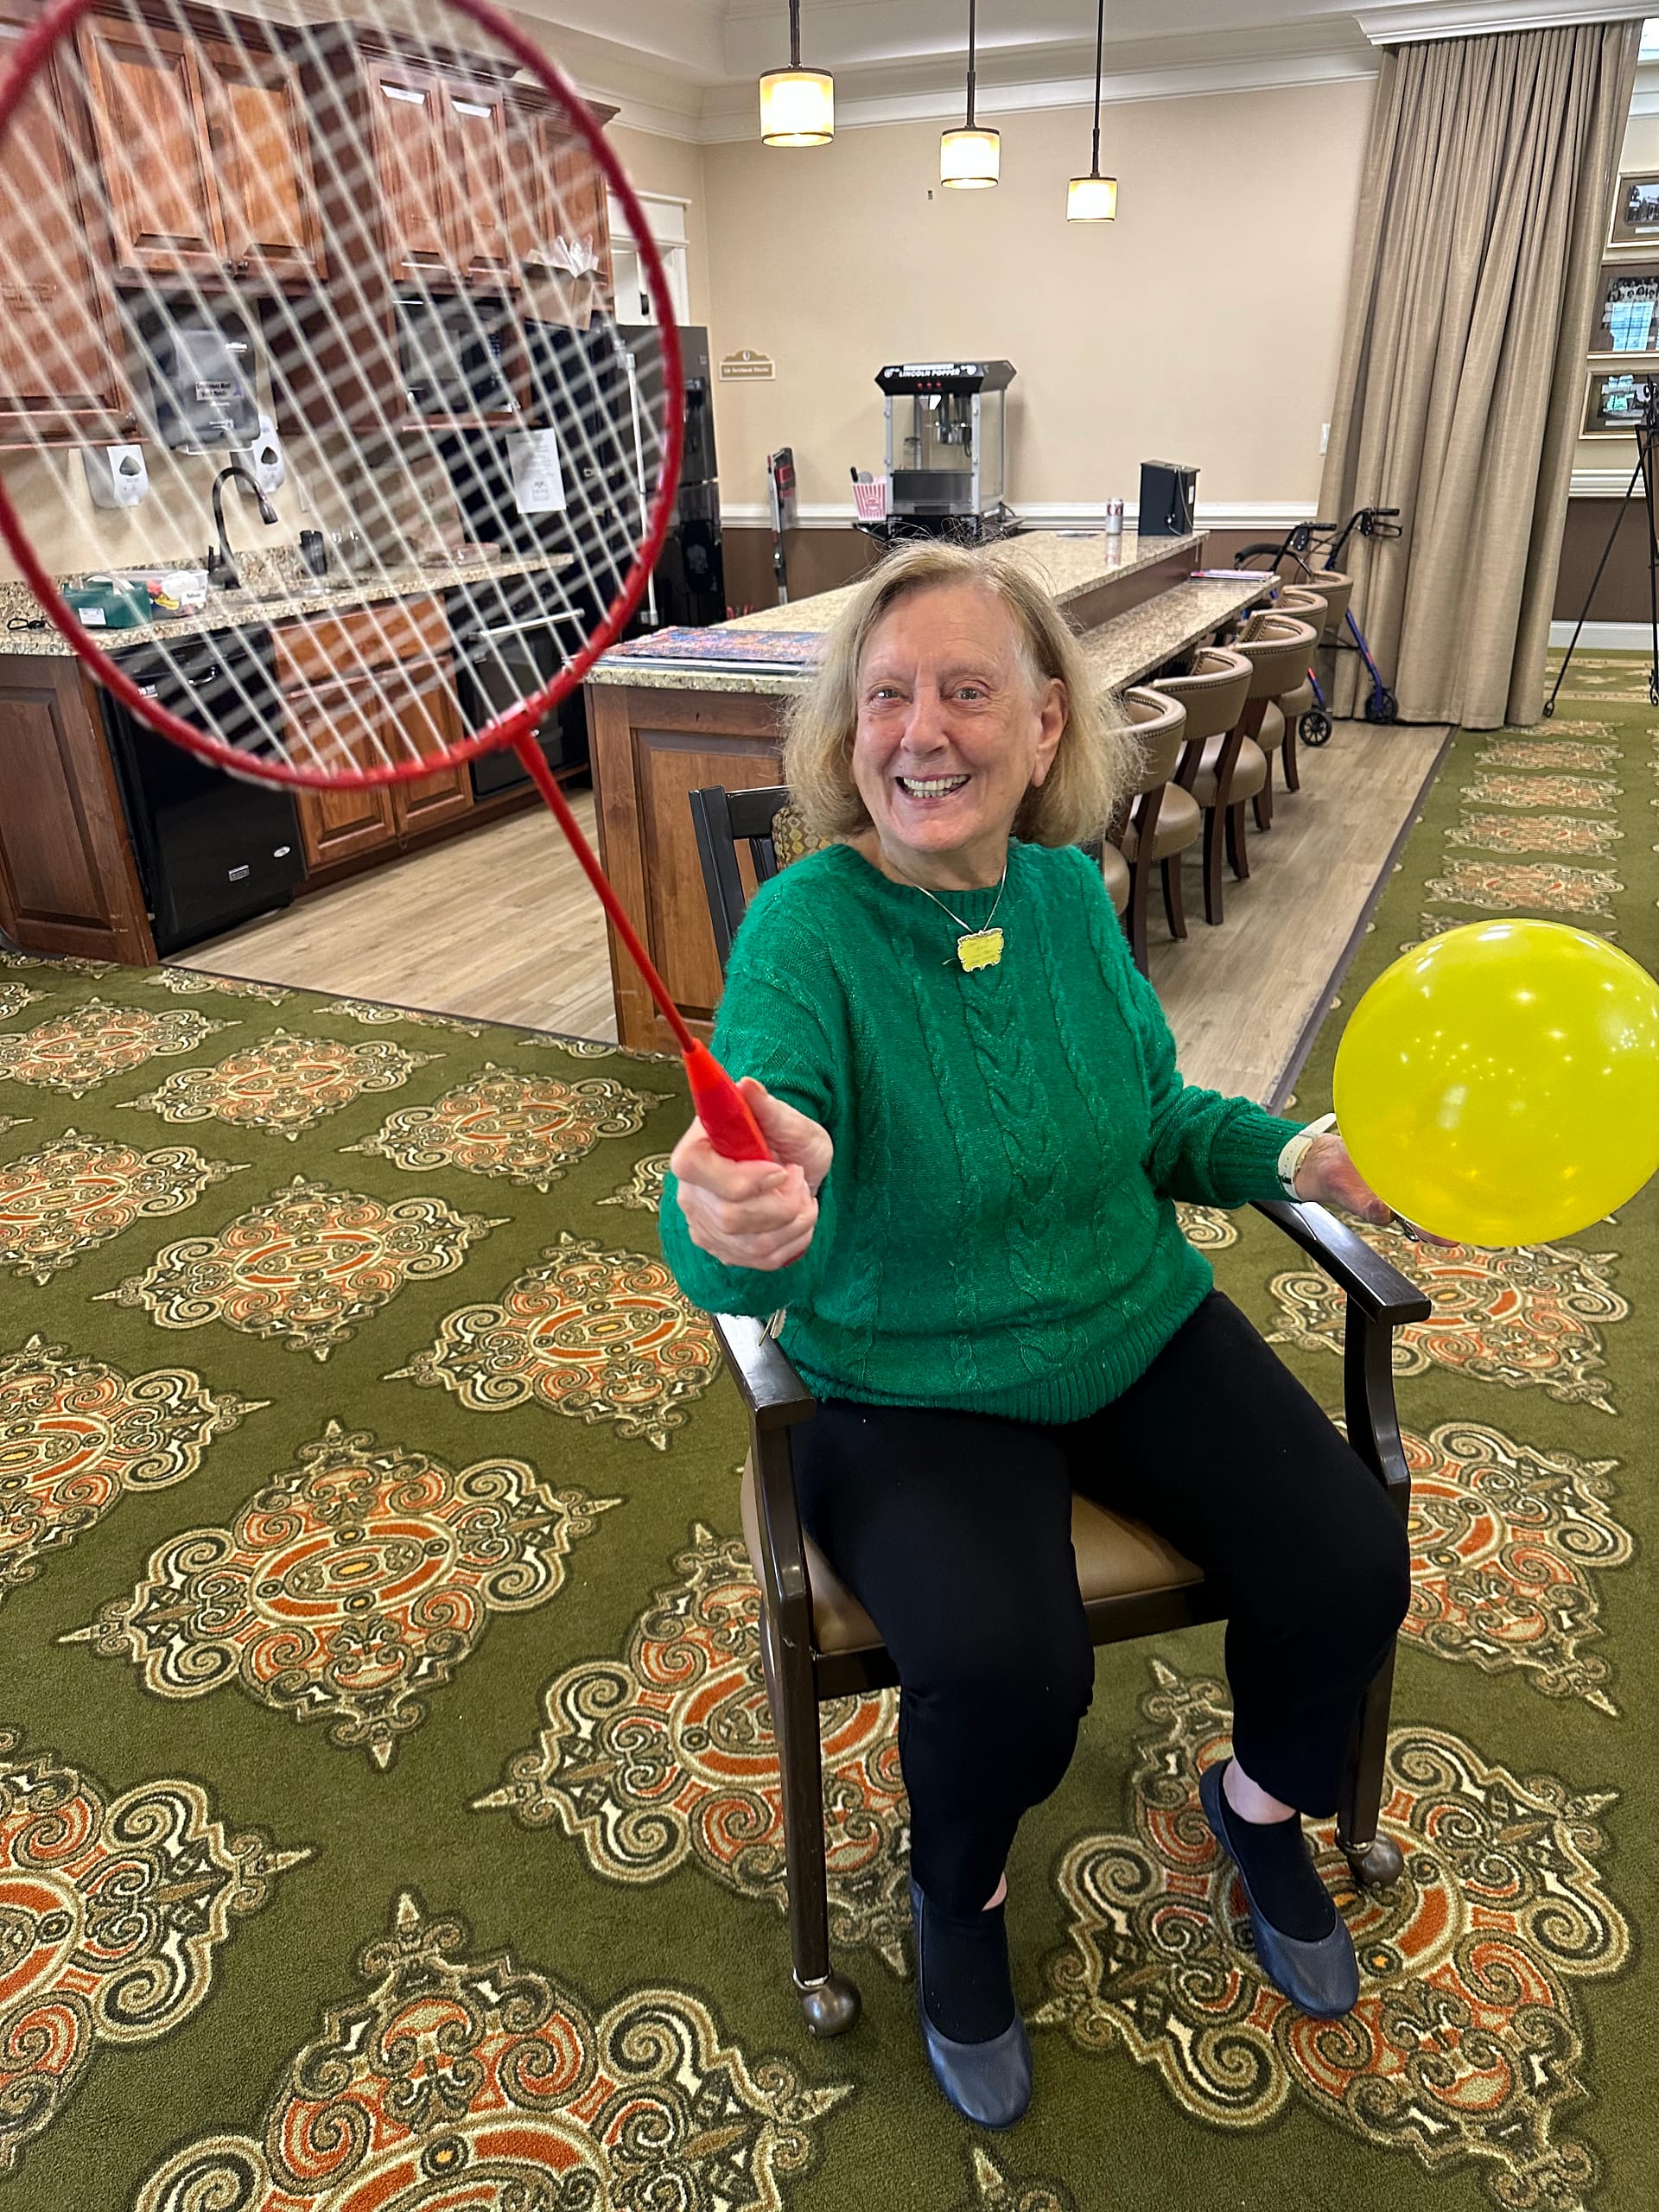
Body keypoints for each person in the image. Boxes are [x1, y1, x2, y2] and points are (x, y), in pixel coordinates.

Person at [658, 540, 1411, 2130]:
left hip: (1126, 1326)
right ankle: (963, 1902)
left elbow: (1149, 1120)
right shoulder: (808, 930)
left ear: (1049, 726)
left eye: (965, 692)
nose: (920, 732)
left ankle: (1260, 1806)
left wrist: (1291, 1154)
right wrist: (730, 1210)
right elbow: (745, 1165)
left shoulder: (1071, 895)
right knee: (1009, 1672)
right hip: (909, 1383)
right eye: (885, 698)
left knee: (1350, 1552)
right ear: (844, 735)